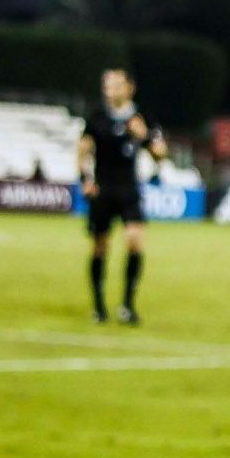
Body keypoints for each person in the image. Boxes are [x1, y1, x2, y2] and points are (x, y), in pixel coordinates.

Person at [78, 66, 166, 325]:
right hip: (103, 189)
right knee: (100, 247)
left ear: (129, 88)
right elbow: (82, 150)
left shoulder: (141, 117)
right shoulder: (96, 118)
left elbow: (161, 152)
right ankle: (99, 305)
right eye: (107, 85)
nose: (110, 90)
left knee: (135, 241)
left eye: (115, 85)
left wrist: (146, 136)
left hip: (129, 189)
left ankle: (127, 304)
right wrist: (85, 179)